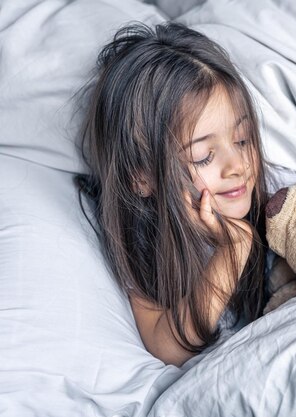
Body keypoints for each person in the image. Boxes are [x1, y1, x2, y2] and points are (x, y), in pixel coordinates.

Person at [75, 22, 268, 366]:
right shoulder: (140, 245)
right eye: (203, 157)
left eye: (242, 139)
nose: (237, 165)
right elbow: (168, 347)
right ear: (142, 177)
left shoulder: (274, 210)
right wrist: (233, 248)